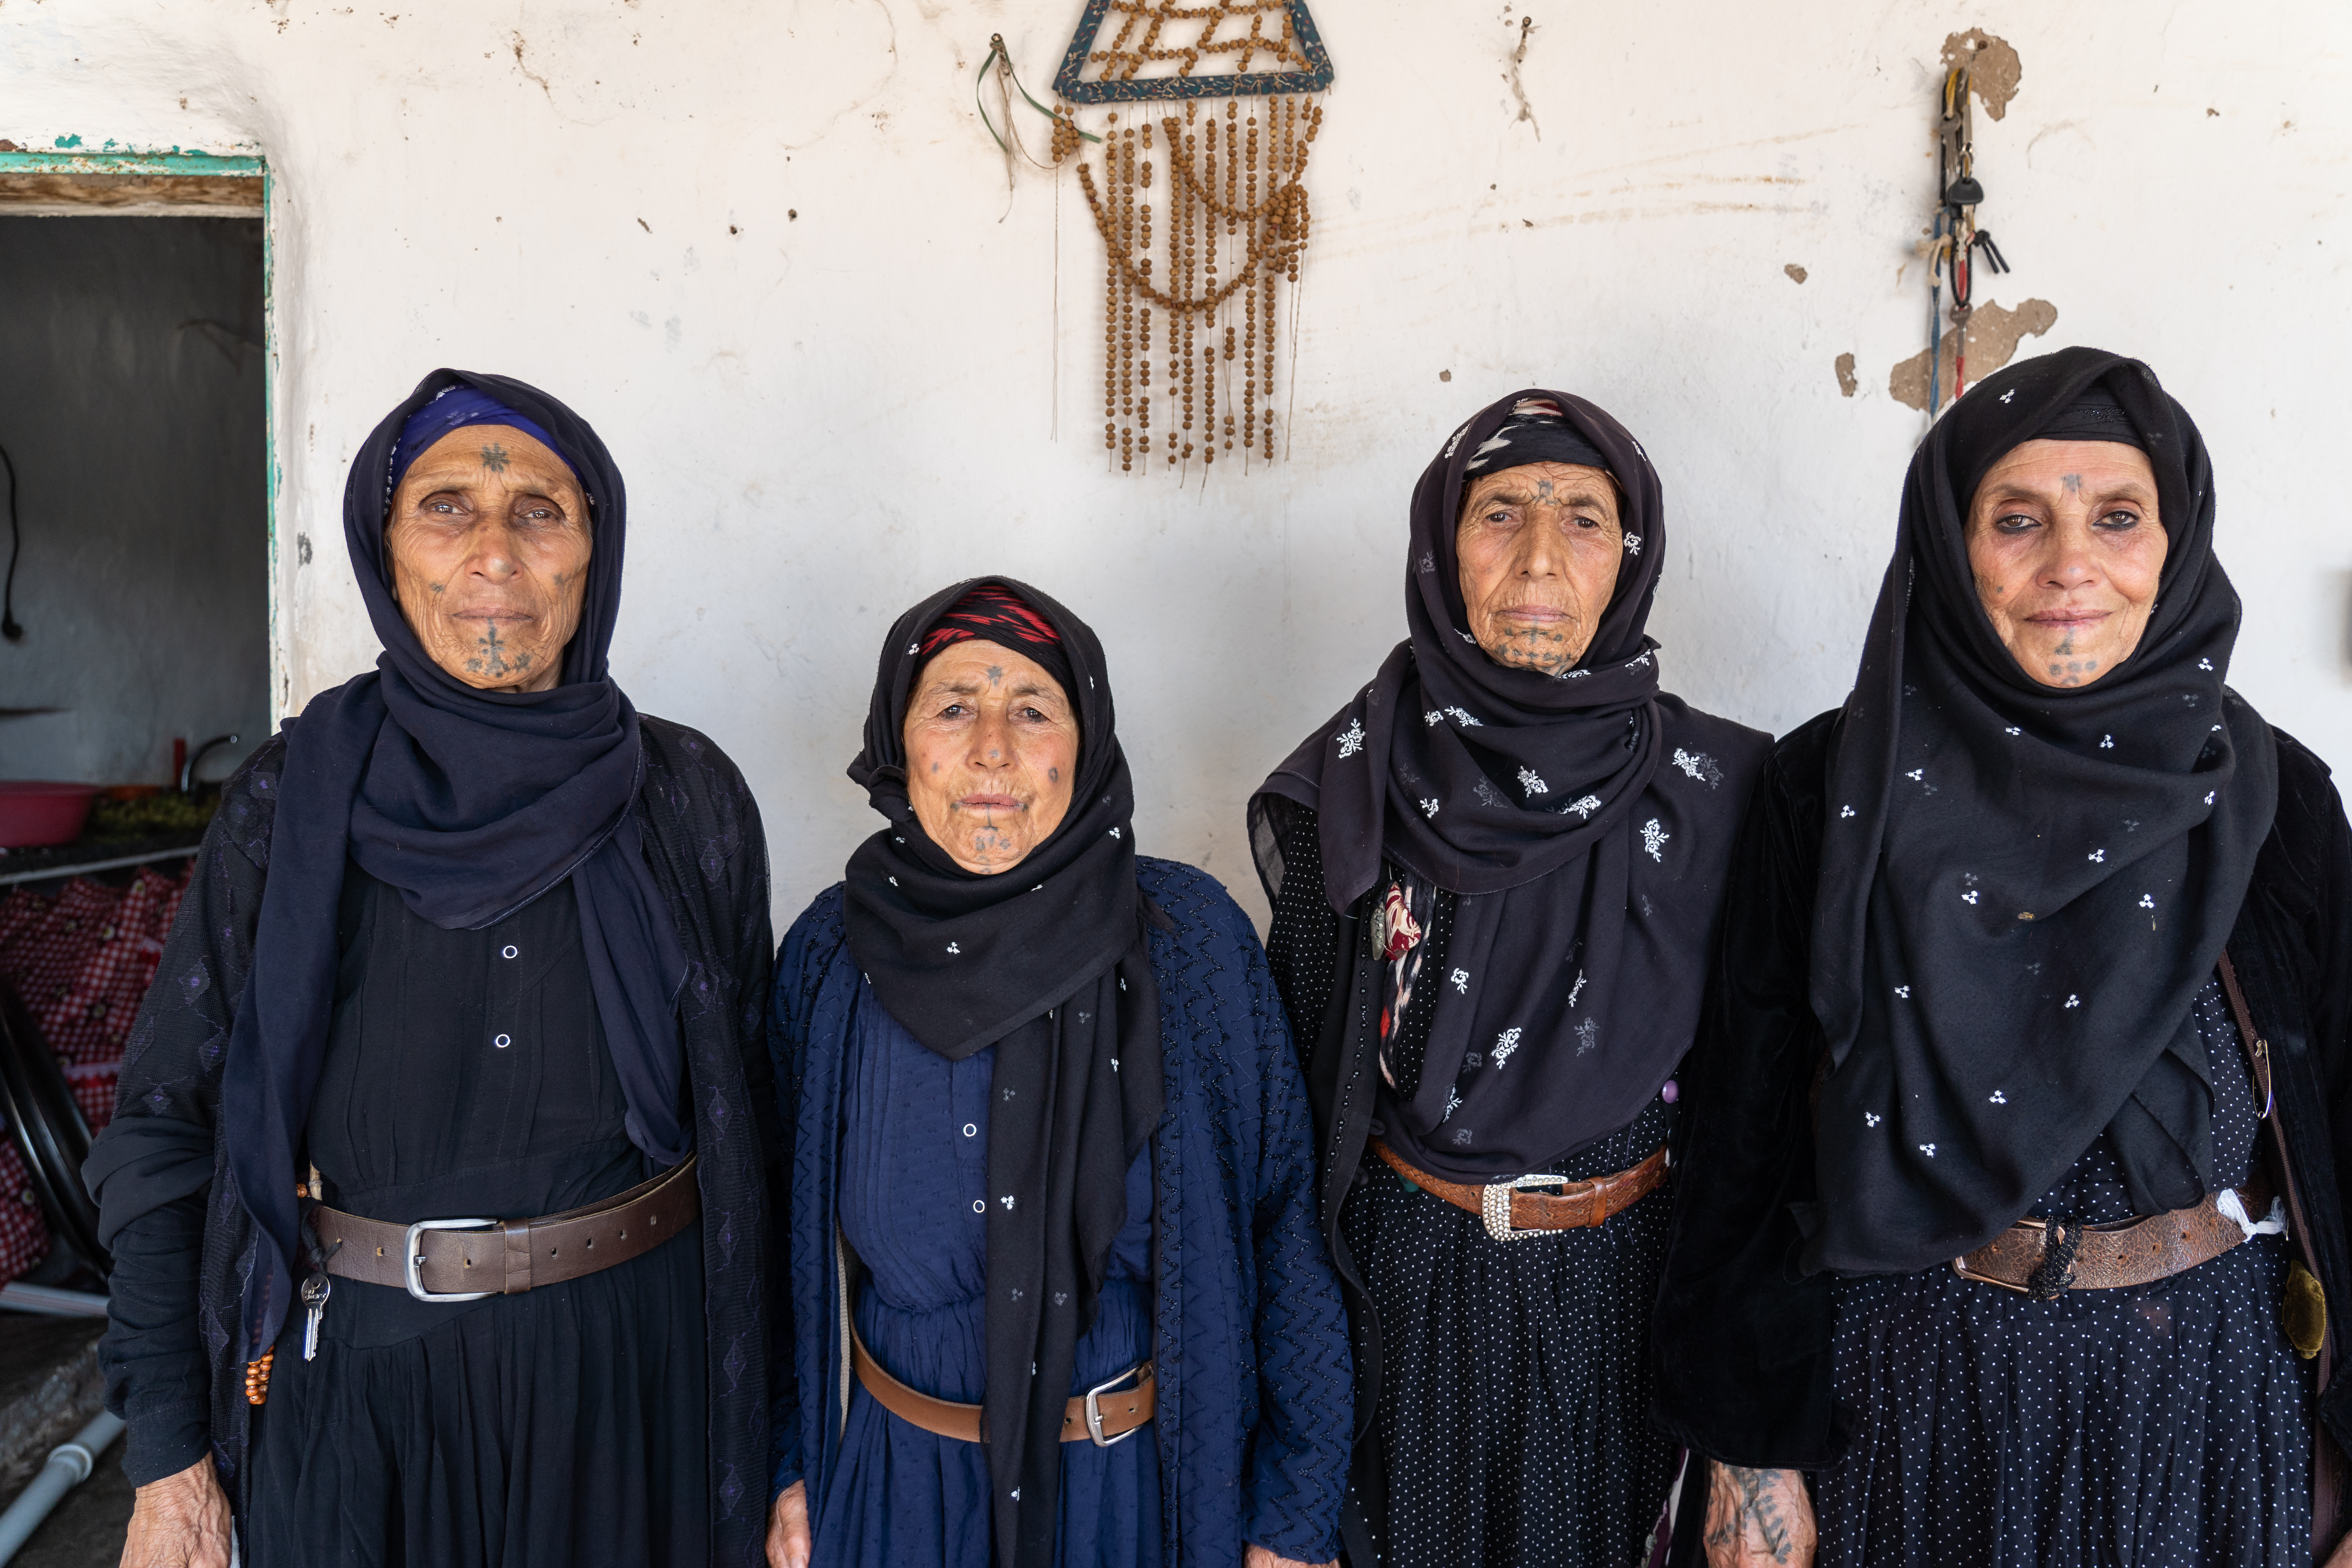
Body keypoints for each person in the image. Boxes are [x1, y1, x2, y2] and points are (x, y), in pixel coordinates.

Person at [1652, 346, 2352, 1568]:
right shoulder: (1829, 792)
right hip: (1911, 1396)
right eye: (2018, 520)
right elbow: (1741, 1143)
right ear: (1948, 544)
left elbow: (2351, 1119)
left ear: (2178, 545)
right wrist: (1751, 1454)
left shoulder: (2271, 795)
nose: (2071, 566)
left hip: (2207, 1404)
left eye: (2118, 519)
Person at [86, 370, 779, 1568]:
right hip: (360, 1388)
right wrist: (167, 1456)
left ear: (592, 552)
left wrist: (782, 1452)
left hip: (634, 1384)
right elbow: (165, 1126)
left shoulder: (687, 797)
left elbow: (761, 1130)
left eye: (540, 512)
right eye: (447, 507)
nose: (495, 553)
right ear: (385, 549)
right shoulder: (290, 800)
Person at [1250, 390, 1769, 1568]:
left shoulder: (1724, 795)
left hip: (1629, 1296)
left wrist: (1750, 1428)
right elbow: (1287, 1140)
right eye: (1499, 515)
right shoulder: (1354, 779)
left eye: (1584, 518)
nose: (1540, 557)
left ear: (1631, 558)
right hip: (1402, 1288)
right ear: (1442, 547)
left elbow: (1769, 1128)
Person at [764, 578, 1351, 1568]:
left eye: (1031, 710)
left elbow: (1284, 1214)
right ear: (898, 741)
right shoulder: (832, 951)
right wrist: (788, 1460)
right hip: (893, 1491)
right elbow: (773, 1234)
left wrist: (1294, 1511)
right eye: (953, 707)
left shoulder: (1189, 939)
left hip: (1139, 1496)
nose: (992, 748)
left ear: (1086, 744)